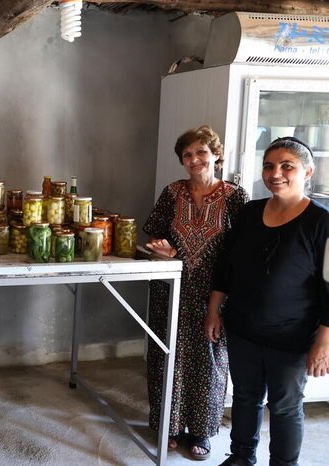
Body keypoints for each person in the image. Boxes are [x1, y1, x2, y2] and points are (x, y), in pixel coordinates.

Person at [206, 137, 329, 466]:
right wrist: (213, 309)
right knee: (245, 397)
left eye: (287, 165)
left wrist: (323, 341)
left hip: (291, 336)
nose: (276, 173)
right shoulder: (250, 212)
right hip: (243, 328)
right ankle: (242, 457)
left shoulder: (321, 222)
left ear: (307, 172)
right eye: (269, 165)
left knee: (285, 406)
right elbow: (227, 265)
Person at [144, 125, 248, 460]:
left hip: (214, 293)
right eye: (187, 155)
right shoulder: (173, 192)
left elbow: (241, 250)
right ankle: (168, 426)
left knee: (210, 359)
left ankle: (201, 431)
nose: (194, 160)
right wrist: (161, 248)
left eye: (201, 152)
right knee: (166, 353)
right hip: (171, 287)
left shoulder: (235, 197)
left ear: (216, 154)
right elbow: (153, 236)